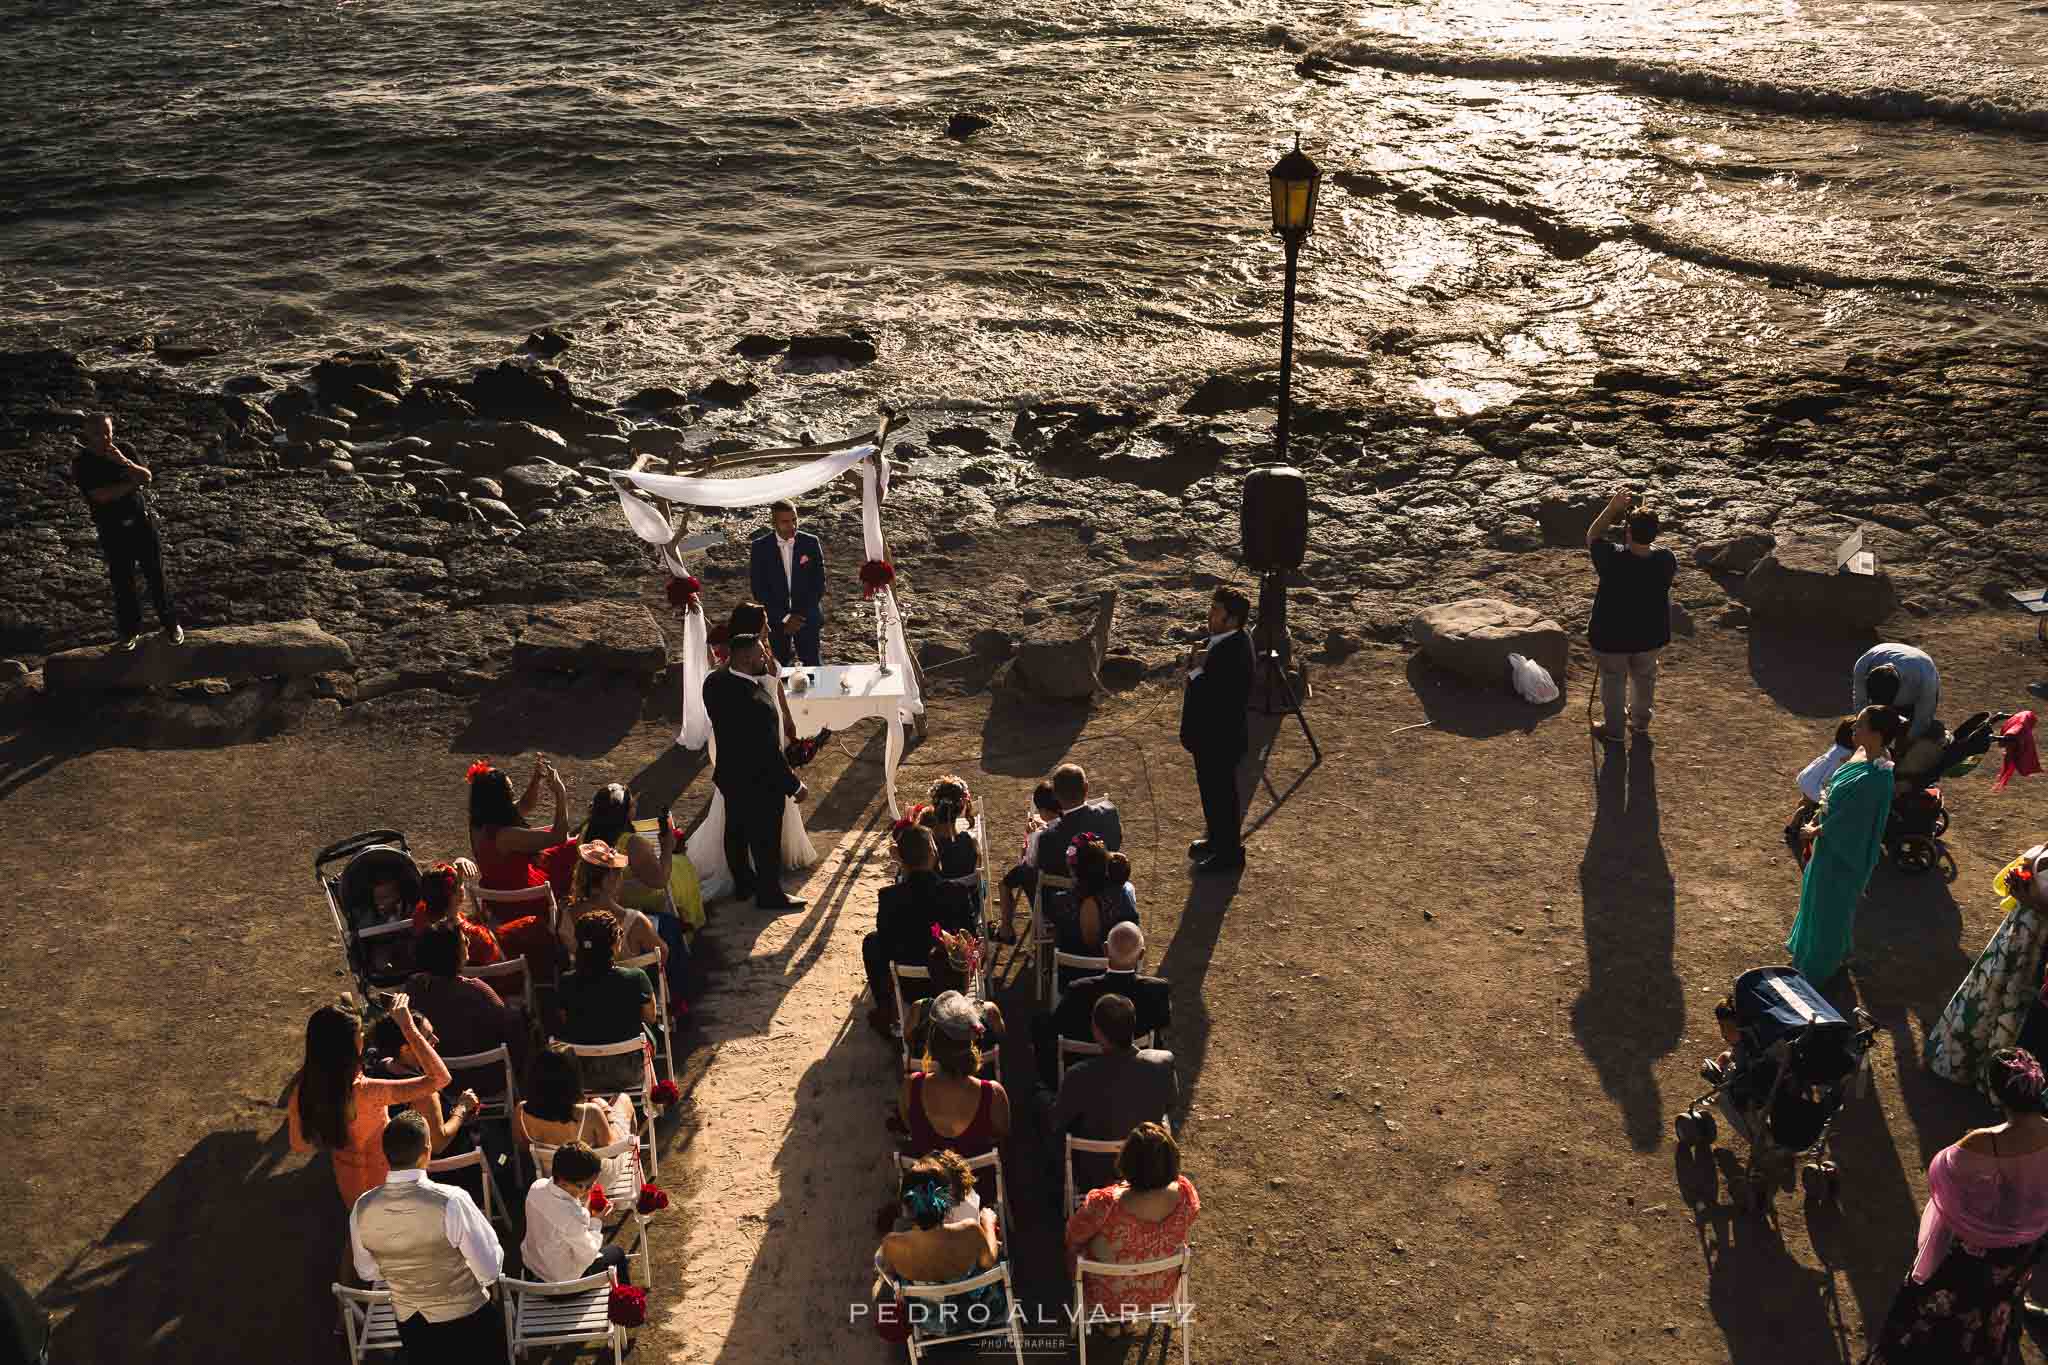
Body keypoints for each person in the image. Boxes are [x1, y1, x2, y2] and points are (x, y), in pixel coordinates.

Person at [1862, 1048, 2048, 1363]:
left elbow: (1945, 1180)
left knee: (1921, 1305)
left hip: (1976, 1258)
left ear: (1996, 1094)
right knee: (1993, 1312)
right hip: (2022, 1255)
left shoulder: (1983, 1141)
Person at [349, 1111, 506, 1363]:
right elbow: (489, 1270)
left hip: (413, 1326)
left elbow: (367, 1272)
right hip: (469, 1320)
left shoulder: (362, 1206)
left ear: (386, 1153)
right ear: (427, 1149)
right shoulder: (451, 1200)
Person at [289, 995, 453, 1210]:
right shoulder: (369, 1091)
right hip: (389, 1187)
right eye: (360, 1034)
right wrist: (408, 1026)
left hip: (351, 1187)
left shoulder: (303, 1089)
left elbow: (299, 1145)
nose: (364, 1036)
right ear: (350, 1046)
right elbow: (440, 1078)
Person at [1785, 704, 1907, 984]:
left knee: (1829, 908)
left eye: (1860, 725)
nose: (1853, 728)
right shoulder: (1866, 754)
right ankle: (1820, 951)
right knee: (1818, 901)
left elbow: (1854, 822)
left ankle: (1817, 969)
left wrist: (1816, 831)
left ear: (1877, 734)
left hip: (1842, 854)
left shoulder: (1876, 777)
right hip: (1829, 846)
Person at [1925, 845, 2048, 1092]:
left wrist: (2027, 898)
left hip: (2032, 940)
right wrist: (2022, 885)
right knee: (1997, 994)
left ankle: (1998, 1073)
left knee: (2004, 996)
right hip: (2023, 936)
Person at [704, 634, 809, 910]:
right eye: (760, 655)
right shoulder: (755, 702)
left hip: (730, 775)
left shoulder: (714, 683)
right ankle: (770, 893)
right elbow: (768, 754)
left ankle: (743, 884)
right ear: (745, 658)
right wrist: (795, 785)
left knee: (736, 831)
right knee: (766, 839)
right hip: (760, 782)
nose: (765, 658)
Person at [1062, 1122, 1199, 1334]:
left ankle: (1111, 1320)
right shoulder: (1185, 1195)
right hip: (1159, 1292)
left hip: (1106, 1297)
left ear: (1126, 1161)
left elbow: (1072, 1237)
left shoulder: (1103, 1204)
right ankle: (1125, 1319)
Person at [539, 783, 704, 946]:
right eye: (632, 805)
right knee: (682, 865)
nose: (636, 805)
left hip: (603, 895)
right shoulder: (633, 844)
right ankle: (687, 921)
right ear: (623, 814)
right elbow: (660, 881)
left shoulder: (586, 833)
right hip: (634, 899)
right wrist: (667, 849)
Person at [72, 413, 181, 650]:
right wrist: (133, 485)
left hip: (142, 524)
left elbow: (148, 477)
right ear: (87, 435)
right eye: (98, 433)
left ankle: (171, 625)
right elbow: (101, 496)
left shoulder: (124, 449)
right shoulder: (82, 463)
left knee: (156, 576)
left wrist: (125, 462)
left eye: (108, 431)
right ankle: (129, 633)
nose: (104, 437)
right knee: (123, 582)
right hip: (113, 530)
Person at [1049, 994, 1180, 1192]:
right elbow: (1170, 1104)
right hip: (1149, 1162)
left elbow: (1057, 1121)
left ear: (1097, 1032)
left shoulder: (1078, 1075)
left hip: (1096, 1173)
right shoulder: (1164, 1062)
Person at [874, 1152, 1004, 1341]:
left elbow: (887, 1272)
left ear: (906, 1207)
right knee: (1001, 1258)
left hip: (930, 1322)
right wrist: (989, 1225)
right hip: (978, 1315)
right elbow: (989, 1259)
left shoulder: (891, 1244)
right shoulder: (970, 1230)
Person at [864, 824, 977, 1036]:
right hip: (951, 980)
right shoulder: (956, 892)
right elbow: (970, 938)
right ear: (934, 854)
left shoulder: (889, 897)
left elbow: (886, 944)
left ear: (901, 858)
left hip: (908, 986)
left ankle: (886, 1010)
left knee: (872, 941)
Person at [1585, 486, 1677, 742]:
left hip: (1611, 637)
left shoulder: (1611, 557)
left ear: (1627, 531)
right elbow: (1650, 549)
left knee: (1613, 682)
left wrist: (1612, 508)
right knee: (1645, 679)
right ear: (1655, 533)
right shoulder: (1666, 559)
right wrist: (1640, 522)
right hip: (1650, 635)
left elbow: (1592, 535)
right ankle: (1640, 724)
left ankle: (1614, 730)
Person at [1034, 922, 1171, 1090]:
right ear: (1141, 954)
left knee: (1040, 1023)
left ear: (1105, 950)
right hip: (1133, 1072)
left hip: (1083, 1072)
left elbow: (1056, 1029)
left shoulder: (1078, 989)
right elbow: (1162, 1027)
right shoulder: (1157, 990)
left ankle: (1045, 1086)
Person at [404, 921, 527, 1095]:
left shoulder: (414, 988)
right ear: (452, 953)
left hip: (438, 1081)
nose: (468, 943)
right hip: (486, 1082)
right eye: (463, 941)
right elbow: (509, 1028)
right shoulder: (478, 990)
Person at [1180, 586, 1254, 874]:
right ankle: (1218, 841)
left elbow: (1216, 695)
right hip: (1211, 737)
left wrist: (1196, 672)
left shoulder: (1233, 650)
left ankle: (1229, 855)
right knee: (1212, 794)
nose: (1209, 614)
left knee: (1222, 797)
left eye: (1216, 611)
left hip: (1220, 739)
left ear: (1232, 619)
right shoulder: (1225, 639)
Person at [555, 910, 657, 1095]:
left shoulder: (566, 982)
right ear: (614, 944)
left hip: (583, 1075)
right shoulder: (635, 977)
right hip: (628, 1071)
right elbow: (650, 1016)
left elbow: (564, 1020)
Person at [521, 1140, 635, 1287]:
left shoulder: (537, 1186)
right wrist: (596, 1221)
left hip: (533, 1268)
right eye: (585, 1185)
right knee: (617, 1253)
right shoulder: (573, 1217)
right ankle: (626, 1301)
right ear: (563, 1182)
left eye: (593, 1183)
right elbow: (589, 1253)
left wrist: (585, 1204)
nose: (590, 1189)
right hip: (561, 1287)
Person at [367, 1012, 481, 1157]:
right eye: (426, 1038)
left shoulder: (382, 1065)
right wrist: (463, 1107)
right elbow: (438, 1145)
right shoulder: (424, 1092)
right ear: (405, 1048)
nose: (436, 1039)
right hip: (445, 1166)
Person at [900, 1024, 1011, 1160]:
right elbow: (1001, 1134)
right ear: (971, 1047)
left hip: (930, 1180)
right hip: (978, 1178)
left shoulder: (910, 1086)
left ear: (931, 1048)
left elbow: (910, 1126)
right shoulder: (993, 1093)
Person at [558, 841, 667, 972]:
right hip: (628, 991)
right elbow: (663, 955)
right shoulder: (636, 921)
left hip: (583, 990)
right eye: (618, 874)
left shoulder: (567, 916)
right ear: (610, 878)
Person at [467, 759, 569, 891]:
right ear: (498, 798)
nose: (513, 793)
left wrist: (536, 779)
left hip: (499, 890)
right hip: (521, 898)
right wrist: (561, 792)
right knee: (572, 848)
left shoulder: (481, 820)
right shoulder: (504, 835)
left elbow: (525, 805)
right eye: (509, 789)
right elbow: (559, 837)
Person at [515, 1044, 635, 1152]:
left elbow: (523, 1148)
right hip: (597, 1173)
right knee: (623, 1099)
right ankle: (633, 1161)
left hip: (555, 1174)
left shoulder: (521, 1111)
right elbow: (612, 1150)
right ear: (572, 1079)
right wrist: (608, 1112)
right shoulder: (589, 1113)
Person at [749, 498, 826, 667]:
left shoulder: (811, 543)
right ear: (774, 523)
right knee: (777, 668)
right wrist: (785, 618)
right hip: (776, 622)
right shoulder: (759, 548)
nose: (792, 526)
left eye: (794, 520)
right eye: (785, 522)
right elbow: (759, 590)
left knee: (814, 668)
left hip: (807, 618)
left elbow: (819, 585)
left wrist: (798, 617)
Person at [1056, 835, 1138, 970]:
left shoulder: (1060, 902)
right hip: (1116, 979)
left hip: (1070, 981)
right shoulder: (1123, 897)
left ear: (1072, 870)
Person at [996, 781, 1064, 944]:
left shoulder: (1040, 837)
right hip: (1070, 890)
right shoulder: (1073, 823)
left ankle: (1006, 929)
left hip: (1048, 899)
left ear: (1042, 810)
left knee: (1007, 881)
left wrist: (1032, 836)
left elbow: (1029, 862)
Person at [1785, 718, 1859, 853]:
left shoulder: (1838, 747)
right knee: (1813, 808)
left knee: (1804, 802)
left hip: (1811, 777)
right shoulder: (1849, 755)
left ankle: (1792, 826)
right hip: (1820, 783)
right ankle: (1799, 827)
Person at [1854, 644, 1942, 742]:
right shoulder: (1864, 665)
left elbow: (1922, 718)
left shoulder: (1925, 678)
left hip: (1919, 668)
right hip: (1885, 651)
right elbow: (1860, 702)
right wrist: (1861, 731)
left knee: (1917, 732)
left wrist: (1906, 742)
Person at [924, 776, 981, 879]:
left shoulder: (926, 845)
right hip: (964, 894)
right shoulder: (972, 842)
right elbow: (978, 881)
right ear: (961, 809)